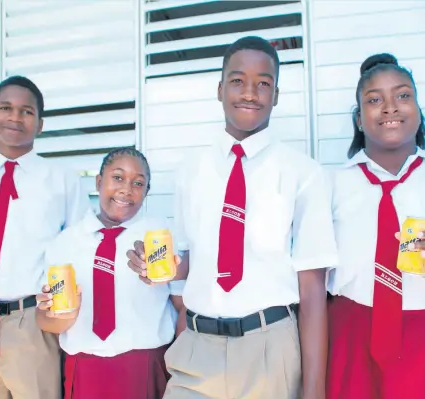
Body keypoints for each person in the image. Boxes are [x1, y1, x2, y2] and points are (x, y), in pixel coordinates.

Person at [127, 36, 338, 399]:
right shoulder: (191, 170)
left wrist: (314, 390)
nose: (250, 93)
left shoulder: (303, 173)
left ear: (276, 94)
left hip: (269, 350)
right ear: (220, 88)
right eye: (238, 81)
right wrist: (157, 266)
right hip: (197, 347)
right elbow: (197, 260)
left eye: (264, 83)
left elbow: (312, 288)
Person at [36, 147, 186, 399]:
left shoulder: (161, 235)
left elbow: (182, 306)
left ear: (146, 192)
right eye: (117, 177)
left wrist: (179, 368)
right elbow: (48, 322)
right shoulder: (65, 243)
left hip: (147, 366)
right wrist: (59, 313)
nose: (126, 189)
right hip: (85, 368)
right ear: (98, 182)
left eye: (138, 183)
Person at [327, 53, 425, 399]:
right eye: (374, 100)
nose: (390, 108)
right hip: (350, 333)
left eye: (402, 95)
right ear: (358, 118)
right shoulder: (331, 186)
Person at [0, 76, 89, 399]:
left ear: (41, 124)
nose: (15, 117)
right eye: (6, 108)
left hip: (29, 323)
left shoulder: (61, 180)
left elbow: (82, 249)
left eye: (26, 111)